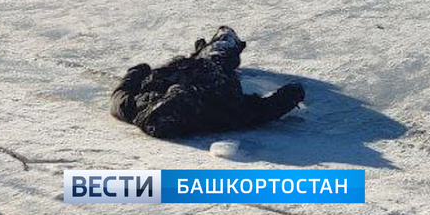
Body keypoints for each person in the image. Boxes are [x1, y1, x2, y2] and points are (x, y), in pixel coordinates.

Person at [110, 26, 305, 139]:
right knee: (225, 41)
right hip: (214, 66)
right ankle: (217, 44)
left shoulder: (134, 108)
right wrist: (289, 95)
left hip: (180, 67)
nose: (179, 91)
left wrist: (138, 71)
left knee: (215, 51)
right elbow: (261, 110)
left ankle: (202, 51)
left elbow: (121, 92)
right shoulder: (218, 114)